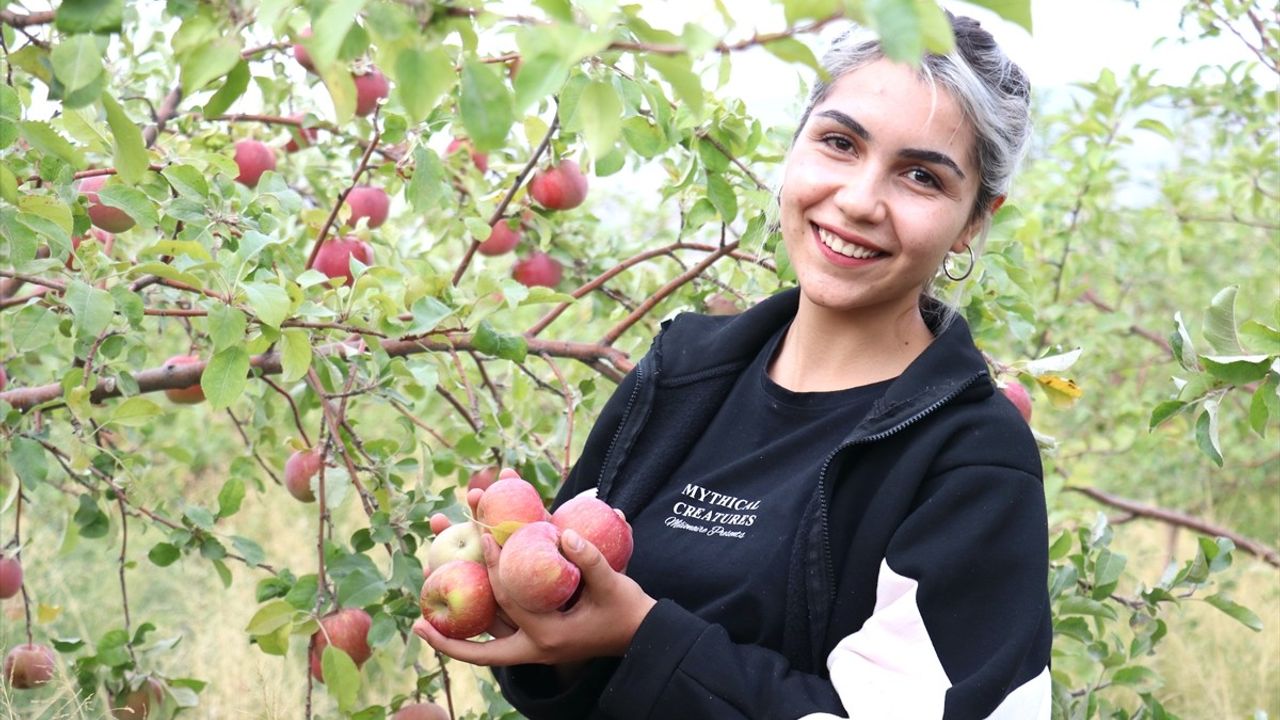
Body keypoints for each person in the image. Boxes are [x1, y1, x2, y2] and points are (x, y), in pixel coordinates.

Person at [414, 13, 1051, 720]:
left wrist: (643, 634)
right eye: (839, 143)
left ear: (972, 221)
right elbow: (576, 670)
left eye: (921, 177)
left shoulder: (972, 459)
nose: (860, 200)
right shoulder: (682, 374)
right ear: (796, 146)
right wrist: (530, 619)